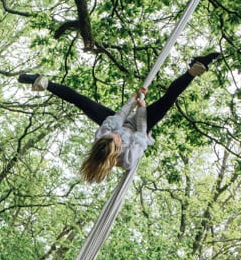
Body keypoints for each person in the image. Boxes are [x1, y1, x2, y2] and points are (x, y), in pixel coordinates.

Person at [19, 53, 220, 182]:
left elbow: (119, 117)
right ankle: (193, 71)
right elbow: (141, 131)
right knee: (167, 101)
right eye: (116, 139)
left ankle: (41, 82)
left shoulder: (104, 135)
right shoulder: (128, 158)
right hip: (140, 129)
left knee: (82, 101)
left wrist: (134, 100)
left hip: (122, 120)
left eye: (112, 136)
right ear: (117, 150)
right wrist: (142, 108)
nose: (116, 136)